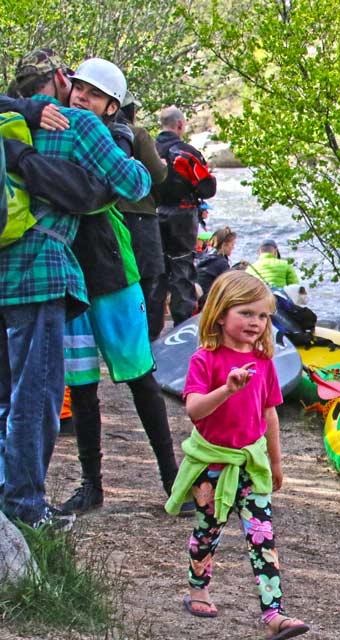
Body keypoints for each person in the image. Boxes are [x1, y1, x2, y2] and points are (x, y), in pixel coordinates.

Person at [1, 48, 150, 530]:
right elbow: (137, 181)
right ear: (61, 81)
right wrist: (114, 150)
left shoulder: (8, 123)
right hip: (41, 269)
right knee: (37, 393)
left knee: (6, 393)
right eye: (77, 88)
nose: (79, 97)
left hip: (3, 266)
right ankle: (23, 504)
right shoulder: (78, 127)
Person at [54, 58, 184, 516]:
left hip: (113, 274)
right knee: (82, 385)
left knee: (139, 378)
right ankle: (91, 485)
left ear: (112, 106)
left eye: (93, 93)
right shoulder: (61, 125)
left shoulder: (117, 138)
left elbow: (95, 189)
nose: (81, 97)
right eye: (79, 90)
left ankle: (173, 479)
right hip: (70, 276)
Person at [164, 270, 309, 640]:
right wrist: (226, 389)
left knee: (263, 537)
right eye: (246, 313)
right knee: (208, 531)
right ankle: (198, 589)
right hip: (212, 465)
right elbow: (195, 410)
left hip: (252, 464)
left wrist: (276, 462)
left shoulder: (264, 364)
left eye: (262, 316)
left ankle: (274, 614)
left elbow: (269, 414)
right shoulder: (205, 359)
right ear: (220, 314)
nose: (255, 323)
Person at [148, 105, 215, 339]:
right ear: (180, 125)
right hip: (183, 214)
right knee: (182, 268)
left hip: (153, 213)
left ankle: (152, 331)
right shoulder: (186, 152)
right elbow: (208, 188)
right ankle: (183, 328)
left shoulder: (148, 149)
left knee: (157, 272)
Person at [114, 92, 168, 317]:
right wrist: (164, 165)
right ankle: (147, 337)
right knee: (148, 278)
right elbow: (158, 174)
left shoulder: (91, 131)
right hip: (139, 215)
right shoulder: (138, 134)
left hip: (106, 217)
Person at [196, 226, 236, 304]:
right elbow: (230, 286)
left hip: (198, 297)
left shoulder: (207, 256)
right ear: (224, 245)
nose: (233, 247)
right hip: (206, 301)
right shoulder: (221, 263)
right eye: (232, 244)